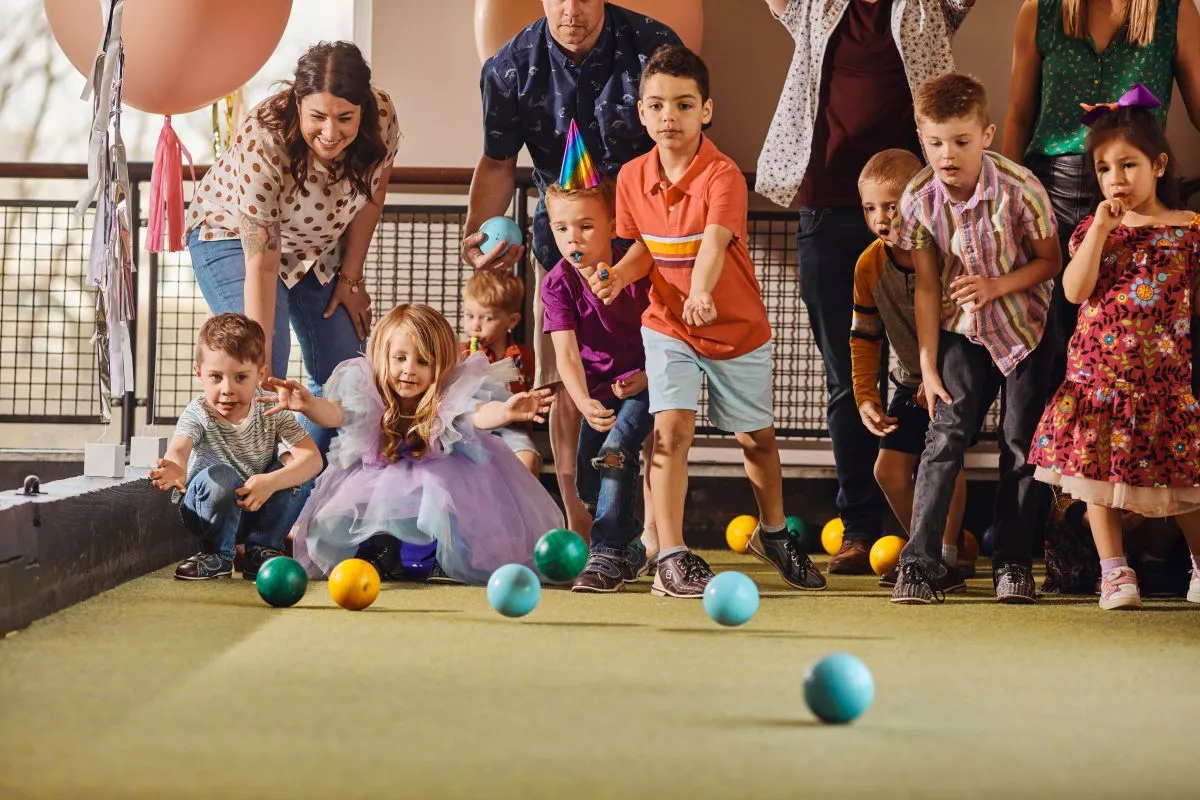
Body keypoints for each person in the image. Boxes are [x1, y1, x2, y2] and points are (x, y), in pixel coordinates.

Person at [591, 44, 825, 598]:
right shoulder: (629, 177)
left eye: (683, 104)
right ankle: (670, 555)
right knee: (669, 433)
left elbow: (715, 244)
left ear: (706, 110)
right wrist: (621, 276)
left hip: (734, 328)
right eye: (657, 105)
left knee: (757, 442)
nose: (669, 116)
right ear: (642, 112)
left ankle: (772, 532)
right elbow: (645, 248)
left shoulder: (722, 175)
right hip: (668, 325)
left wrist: (700, 290)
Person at [757, 0, 976, 575]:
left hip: (924, 210)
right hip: (831, 208)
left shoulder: (930, 7)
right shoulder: (814, 8)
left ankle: (936, 534)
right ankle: (860, 528)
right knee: (847, 379)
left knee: (933, 369)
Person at [464, 1, 681, 540]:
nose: (570, 8)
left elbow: (681, 150)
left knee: (655, 375)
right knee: (563, 379)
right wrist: (478, 239)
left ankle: (656, 529)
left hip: (650, 248)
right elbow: (496, 162)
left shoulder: (654, 45)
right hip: (564, 248)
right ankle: (577, 520)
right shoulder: (509, 67)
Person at [892, 73, 1061, 605]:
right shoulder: (918, 198)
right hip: (964, 330)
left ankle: (1012, 565)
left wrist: (994, 286)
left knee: (1018, 445)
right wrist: (927, 363)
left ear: (986, 134)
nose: (947, 154)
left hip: (1028, 328)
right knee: (944, 437)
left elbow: (1051, 262)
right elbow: (924, 283)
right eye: (935, 142)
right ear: (922, 137)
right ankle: (918, 564)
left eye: (961, 141)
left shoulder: (1022, 188)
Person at [1028, 88, 1200, 609]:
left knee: (1185, 478)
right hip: (1098, 381)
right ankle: (1114, 573)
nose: (1117, 179)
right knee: (1095, 477)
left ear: (1159, 164)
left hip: (1163, 383)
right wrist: (1102, 227)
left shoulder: (1190, 231)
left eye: (1129, 165)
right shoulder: (1093, 230)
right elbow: (1074, 291)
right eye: (1104, 169)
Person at [186, 41, 401, 455]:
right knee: (264, 363)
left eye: (345, 118)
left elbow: (374, 196)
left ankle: (305, 489)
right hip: (233, 238)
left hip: (316, 250)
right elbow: (263, 265)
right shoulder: (263, 136)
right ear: (297, 102)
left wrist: (352, 279)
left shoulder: (385, 116)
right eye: (317, 116)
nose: (331, 132)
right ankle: (235, 493)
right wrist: (259, 357)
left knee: (349, 372)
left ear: (364, 109)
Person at [268, 304, 564, 585]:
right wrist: (307, 404)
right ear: (384, 357)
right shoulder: (370, 392)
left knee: (439, 486)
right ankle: (381, 549)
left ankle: (447, 556)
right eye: (400, 358)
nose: (409, 369)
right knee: (369, 492)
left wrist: (507, 411)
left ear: (441, 365)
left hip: (443, 468)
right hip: (384, 467)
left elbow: (477, 414)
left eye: (423, 361)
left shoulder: (448, 395)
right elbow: (336, 413)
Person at [1001, 0, 1200, 391]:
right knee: (1040, 341)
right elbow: (1019, 115)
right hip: (1049, 190)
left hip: (1139, 192)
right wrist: (1007, 198)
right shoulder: (1040, 11)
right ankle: (1026, 454)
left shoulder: (1176, 13)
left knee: (1138, 332)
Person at [849, 149, 973, 585]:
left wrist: (938, 371)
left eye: (891, 205)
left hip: (952, 374)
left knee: (942, 459)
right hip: (908, 379)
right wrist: (866, 395)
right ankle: (926, 547)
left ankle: (946, 555)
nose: (881, 218)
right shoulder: (868, 265)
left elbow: (959, 321)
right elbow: (864, 336)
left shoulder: (942, 252)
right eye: (870, 208)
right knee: (888, 470)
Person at [541, 128, 654, 592]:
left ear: (612, 223)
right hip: (598, 392)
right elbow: (565, 350)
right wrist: (582, 399)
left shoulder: (638, 267)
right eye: (562, 228)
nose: (574, 239)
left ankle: (605, 555)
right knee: (590, 480)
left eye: (586, 226)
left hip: (649, 383)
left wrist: (648, 376)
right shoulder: (557, 283)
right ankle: (629, 547)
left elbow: (664, 331)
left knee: (614, 455)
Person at [148, 313, 322, 580]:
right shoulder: (199, 412)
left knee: (296, 472)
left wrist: (272, 481)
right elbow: (180, 449)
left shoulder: (271, 407)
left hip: (256, 506)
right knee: (221, 478)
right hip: (207, 510)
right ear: (199, 374)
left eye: (241, 377)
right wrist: (175, 467)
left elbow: (313, 459)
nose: (227, 389)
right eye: (216, 377)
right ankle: (216, 554)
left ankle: (263, 549)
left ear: (260, 374)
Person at [460, 271, 541, 475]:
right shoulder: (460, 354)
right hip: (471, 424)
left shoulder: (525, 356)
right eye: (469, 316)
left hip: (512, 426)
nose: (475, 326)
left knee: (528, 460)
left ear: (511, 321)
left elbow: (536, 389)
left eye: (486, 318)